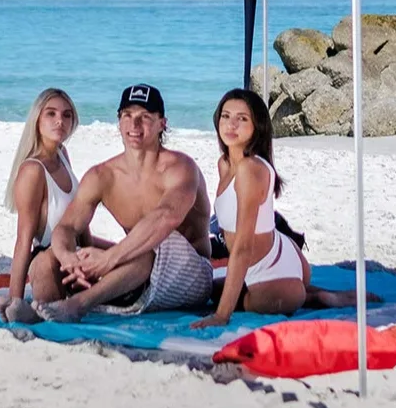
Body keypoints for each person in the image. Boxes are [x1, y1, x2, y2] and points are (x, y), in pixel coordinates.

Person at [24, 83, 213, 323]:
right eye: (127, 116)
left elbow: (167, 217)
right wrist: (67, 257)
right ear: (119, 122)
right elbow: (67, 227)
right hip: (140, 272)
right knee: (45, 259)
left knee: (148, 243)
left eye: (145, 117)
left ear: (162, 123)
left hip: (191, 276)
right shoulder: (103, 175)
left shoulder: (181, 168)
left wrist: (109, 258)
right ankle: (43, 313)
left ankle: (77, 305)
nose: (135, 125)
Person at [191, 87, 363, 330]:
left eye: (242, 119)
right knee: (210, 290)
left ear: (257, 126)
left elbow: (243, 246)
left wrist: (221, 315)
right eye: (226, 116)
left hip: (272, 268)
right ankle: (314, 291)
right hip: (277, 250)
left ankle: (316, 297)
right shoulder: (225, 164)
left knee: (228, 300)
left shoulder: (250, 169)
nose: (231, 124)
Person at [0, 88, 83, 324]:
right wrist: (15, 299)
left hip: (74, 252)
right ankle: (26, 311)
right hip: (49, 260)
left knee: (135, 255)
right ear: (37, 119)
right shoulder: (33, 171)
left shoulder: (62, 154)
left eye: (66, 115)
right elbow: (23, 240)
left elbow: (79, 218)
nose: (60, 121)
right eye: (51, 114)